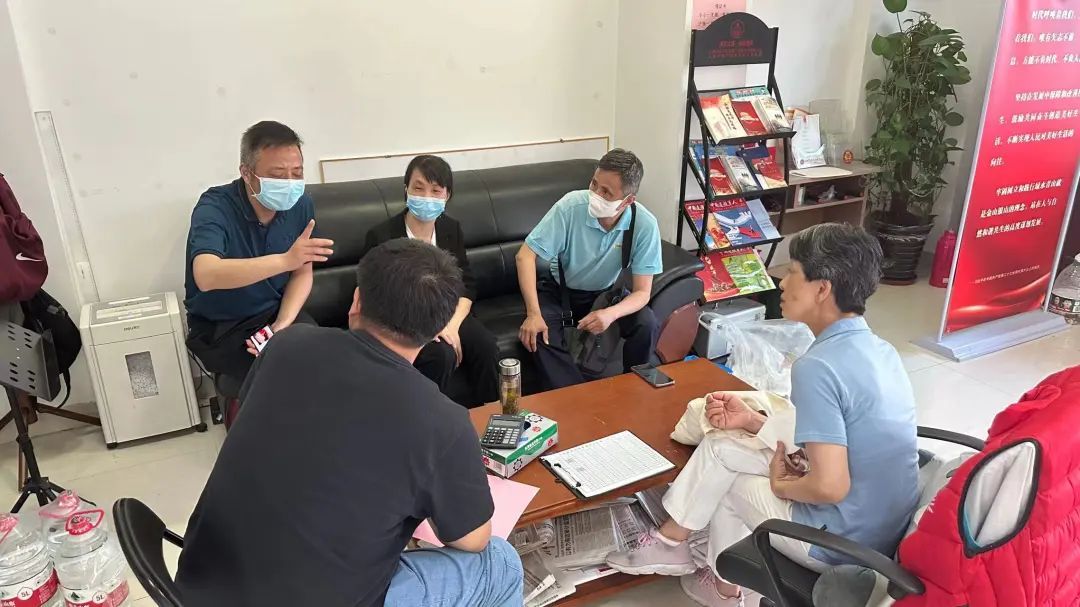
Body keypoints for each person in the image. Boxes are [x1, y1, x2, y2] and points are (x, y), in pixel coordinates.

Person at [176, 239, 523, 607]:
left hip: (198, 586)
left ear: (356, 301)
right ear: (439, 327)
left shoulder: (284, 345)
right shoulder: (444, 421)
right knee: (499, 563)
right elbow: (473, 540)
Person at [605, 223, 919, 607]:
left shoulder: (818, 367)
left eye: (793, 272)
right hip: (884, 528)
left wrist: (782, 487)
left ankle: (724, 590)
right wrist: (754, 423)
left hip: (840, 543)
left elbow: (829, 486)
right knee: (722, 446)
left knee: (729, 480)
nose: (781, 282)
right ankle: (673, 543)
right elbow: (843, 436)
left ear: (822, 289)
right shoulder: (881, 350)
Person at [184, 120, 333, 383]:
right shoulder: (215, 207)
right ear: (246, 172)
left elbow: (302, 273)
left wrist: (281, 325)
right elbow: (206, 275)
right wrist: (285, 261)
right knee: (283, 374)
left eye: (297, 173)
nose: (290, 183)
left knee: (327, 359)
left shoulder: (300, 205)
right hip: (223, 324)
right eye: (278, 175)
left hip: (276, 312)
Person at [516, 149, 663, 390]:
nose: (595, 195)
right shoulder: (571, 206)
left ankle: (635, 388)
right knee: (539, 334)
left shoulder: (645, 224)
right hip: (560, 291)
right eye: (594, 184)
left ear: (628, 201)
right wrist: (533, 314)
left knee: (646, 323)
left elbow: (642, 292)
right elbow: (525, 256)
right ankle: (578, 396)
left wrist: (611, 314)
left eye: (606, 192)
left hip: (605, 295)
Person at [360, 155, 500, 407]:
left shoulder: (450, 229)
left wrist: (451, 325)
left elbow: (466, 284)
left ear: (447, 196)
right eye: (418, 188)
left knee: (486, 346)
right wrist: (433, 328)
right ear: (406, 190)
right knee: (441, 355)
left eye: (436, 191)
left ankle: (490, 417)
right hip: (404, 320)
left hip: (449, 313)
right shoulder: (382, 235)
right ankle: (430, 418)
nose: (427, 197)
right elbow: (378, 297)